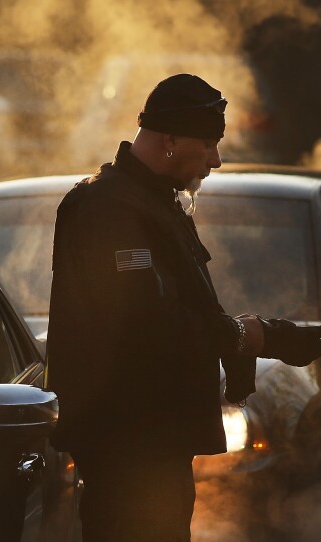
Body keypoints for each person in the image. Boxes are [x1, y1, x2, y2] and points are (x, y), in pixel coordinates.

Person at [46, 73, 321, 542]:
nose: (217, 158)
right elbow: (148, 325)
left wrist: (267, 335)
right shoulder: (109, 209)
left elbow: (182, 308)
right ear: (169, 139)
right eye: (209, 143)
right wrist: (248, 336)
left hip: (156, 448)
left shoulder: (154, 202)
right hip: (127, 450)